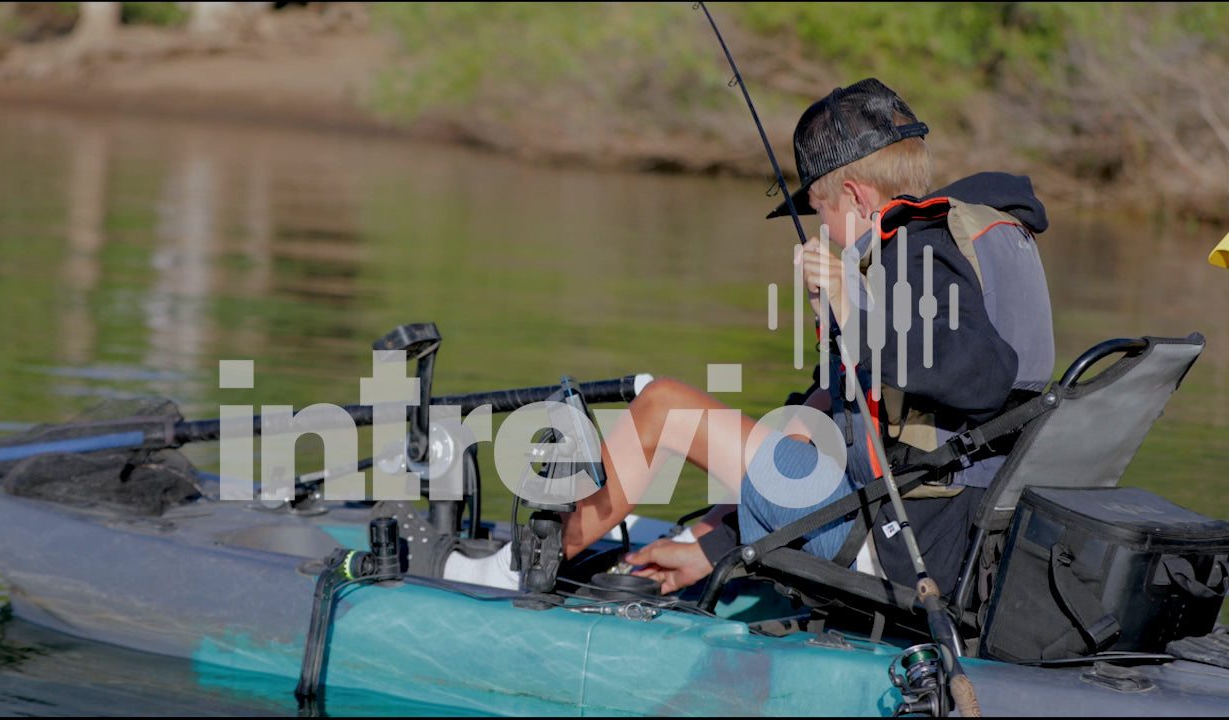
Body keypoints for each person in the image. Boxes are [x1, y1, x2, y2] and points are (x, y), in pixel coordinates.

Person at [420, 77, 1055, 597]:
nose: (823, 232)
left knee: (665, 407)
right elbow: (816, 427)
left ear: (856, 198)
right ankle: (648, 550)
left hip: (909, 551)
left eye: (822, 212)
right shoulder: (963, 241)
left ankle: (506, 575)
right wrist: (717, 545)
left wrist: (848, 303)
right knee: (803, 414)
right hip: (938, 537)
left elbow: (982, 376)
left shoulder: (914, 253)